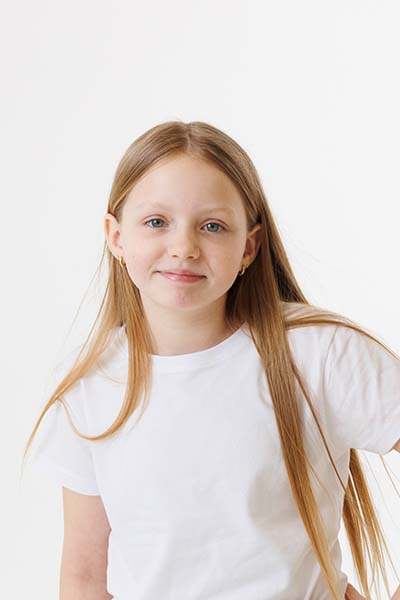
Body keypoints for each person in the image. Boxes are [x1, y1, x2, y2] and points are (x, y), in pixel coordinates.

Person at [22, 121, 400, 599]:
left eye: (213, 226)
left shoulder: (318, 353)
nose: (184, 247)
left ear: (249, 247)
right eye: (156, 222)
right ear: (116, 237)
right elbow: (84, 575)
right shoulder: (89, 380)